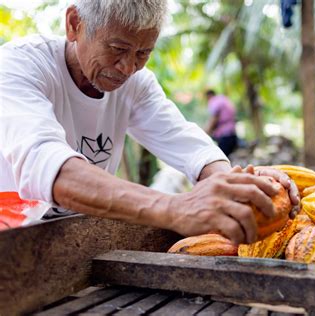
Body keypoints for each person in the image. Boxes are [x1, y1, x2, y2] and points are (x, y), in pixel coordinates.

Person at [0, 0, 299, 245]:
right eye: (117, 49)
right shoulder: (18, 67)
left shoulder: (136, 83)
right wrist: (175, 208)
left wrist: (235, 183)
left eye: (143, 53)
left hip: (74, 239)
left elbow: (187, 144)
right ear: (75, 24)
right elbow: (48, 166)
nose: (128, 68)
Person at [204, 89, 238, 156]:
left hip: (224, 136)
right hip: (232, 133)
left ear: (208, 96)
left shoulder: (214, 101)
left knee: (221, 157)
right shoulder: (223, 99)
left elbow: (214, 119)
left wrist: (205, 133)